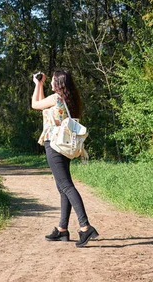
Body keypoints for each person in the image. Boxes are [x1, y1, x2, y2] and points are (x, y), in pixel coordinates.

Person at [31, 70, 99, 248]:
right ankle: (62, 229)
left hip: (54, 145)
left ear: (59, 83)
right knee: (63, 187)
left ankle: (85, 227)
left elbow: (35, 104)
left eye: (53, 80)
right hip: (65, 146)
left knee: (66, 186)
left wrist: (38, 83)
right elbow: (41, 105)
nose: (51, 83)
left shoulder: (56, 98)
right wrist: (40, 84)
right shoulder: (69, 100)